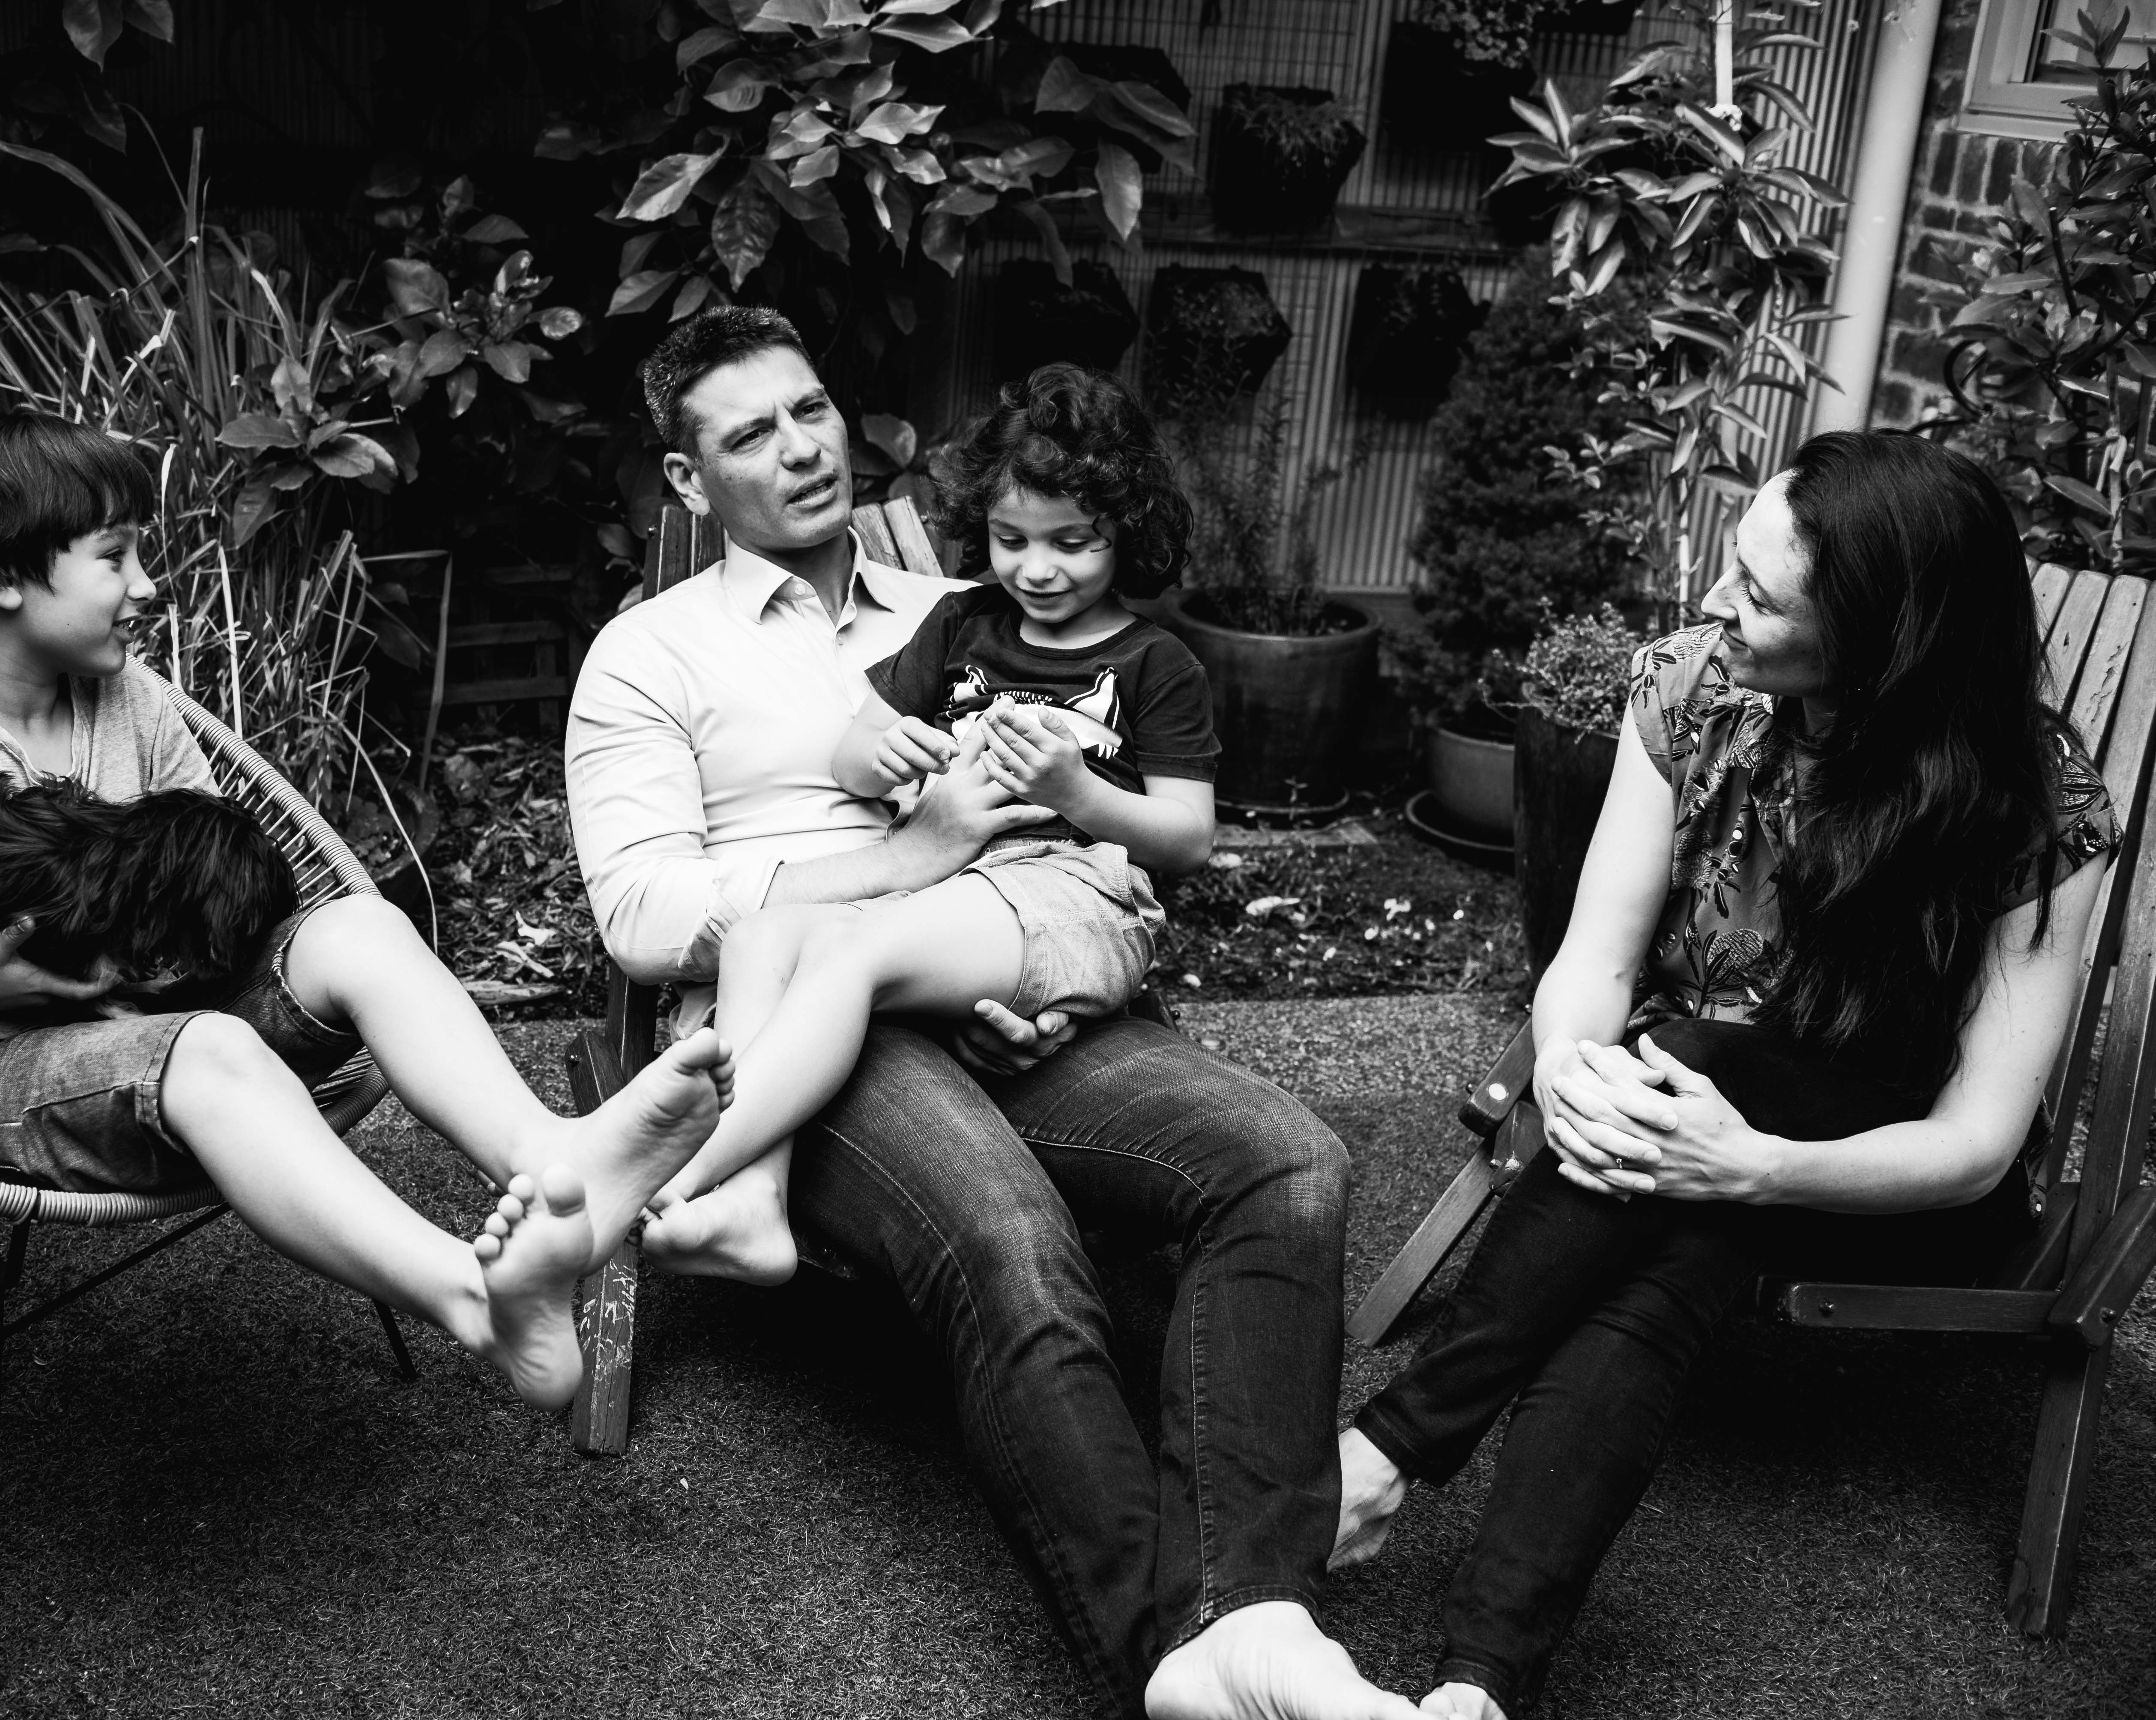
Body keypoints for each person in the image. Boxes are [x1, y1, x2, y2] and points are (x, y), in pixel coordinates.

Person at [566, 307, 1418, 1720]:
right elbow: (645, 917)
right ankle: (1184, 1650)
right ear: (681, 482)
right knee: (1010, 1237)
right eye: (747, 434)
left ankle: (1247, 1613)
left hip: (1002, 979)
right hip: (792, 1020)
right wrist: (901, 869)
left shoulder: (969, 607)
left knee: (1287, 1158)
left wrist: (1002, 952)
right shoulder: (647, 657)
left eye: (809, 409)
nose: (798, 450)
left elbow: (1125, 846)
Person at [0, 406, 734, 1412]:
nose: (146, 586)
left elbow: (234, 892)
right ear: (0, 576)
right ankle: (475, 1300)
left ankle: (555, 1164)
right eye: (114, 557)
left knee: (359, 927)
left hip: (143, 1019)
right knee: (215, 1049)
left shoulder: (126, 699)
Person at [1331, 431, 2117, 1719]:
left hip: (1897, 1181)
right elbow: (1593, 957)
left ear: (1887, 639)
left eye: (1758, 595)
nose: (1711, 605)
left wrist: (1755, 1165)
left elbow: (1978, 1141)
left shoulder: (2032, 805)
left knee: (1695, 1103)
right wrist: (1580, 1071)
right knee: (1684, 1214)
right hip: (1682, 1118)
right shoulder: (1695, 690)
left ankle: (1387, 1451)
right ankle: (1477, 1683)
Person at [634, 363, 1219, 1287]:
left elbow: (1188, 841)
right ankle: (753, 1202)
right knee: (760, 937)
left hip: (1073, 886)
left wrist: (1077, 789)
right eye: (1009, 539)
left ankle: (695, 1169)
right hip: (946, 890)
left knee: (845, 957)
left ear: (1127, 533)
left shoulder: (1155, 663)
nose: (1036, 567)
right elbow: (852, 749)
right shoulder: (961, 624)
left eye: (1073, 542)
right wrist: (891, 752)